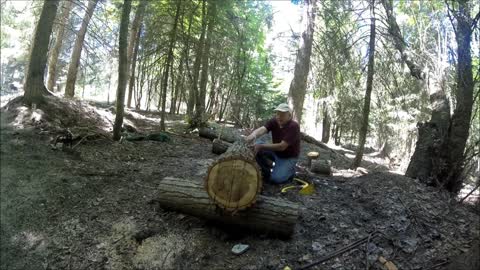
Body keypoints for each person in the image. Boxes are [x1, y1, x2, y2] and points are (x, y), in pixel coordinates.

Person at [245, 103, 300, 184]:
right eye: (277, 114)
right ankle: (268, 166)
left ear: (289, 116)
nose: (279, 117)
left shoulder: (293, 126)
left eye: (282, 115)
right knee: (255, 145)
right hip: (276, 152)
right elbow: (263, 129)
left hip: (288, 157)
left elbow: (282, 146)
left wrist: (261, 146)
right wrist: (253, 135)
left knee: (276, 179)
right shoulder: (274, 121)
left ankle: (290, 171)